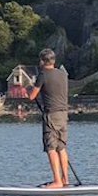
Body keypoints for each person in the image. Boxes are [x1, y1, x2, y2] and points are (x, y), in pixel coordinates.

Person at [27, 48, 71, 188]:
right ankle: (65, 180)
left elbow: (32, 96)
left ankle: (57, 181)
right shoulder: (63, 74)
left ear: (42, 61)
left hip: (51, 115)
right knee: (61, 147)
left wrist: (29, 87)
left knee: (51, 147)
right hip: (63, 114)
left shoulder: (43, 74)